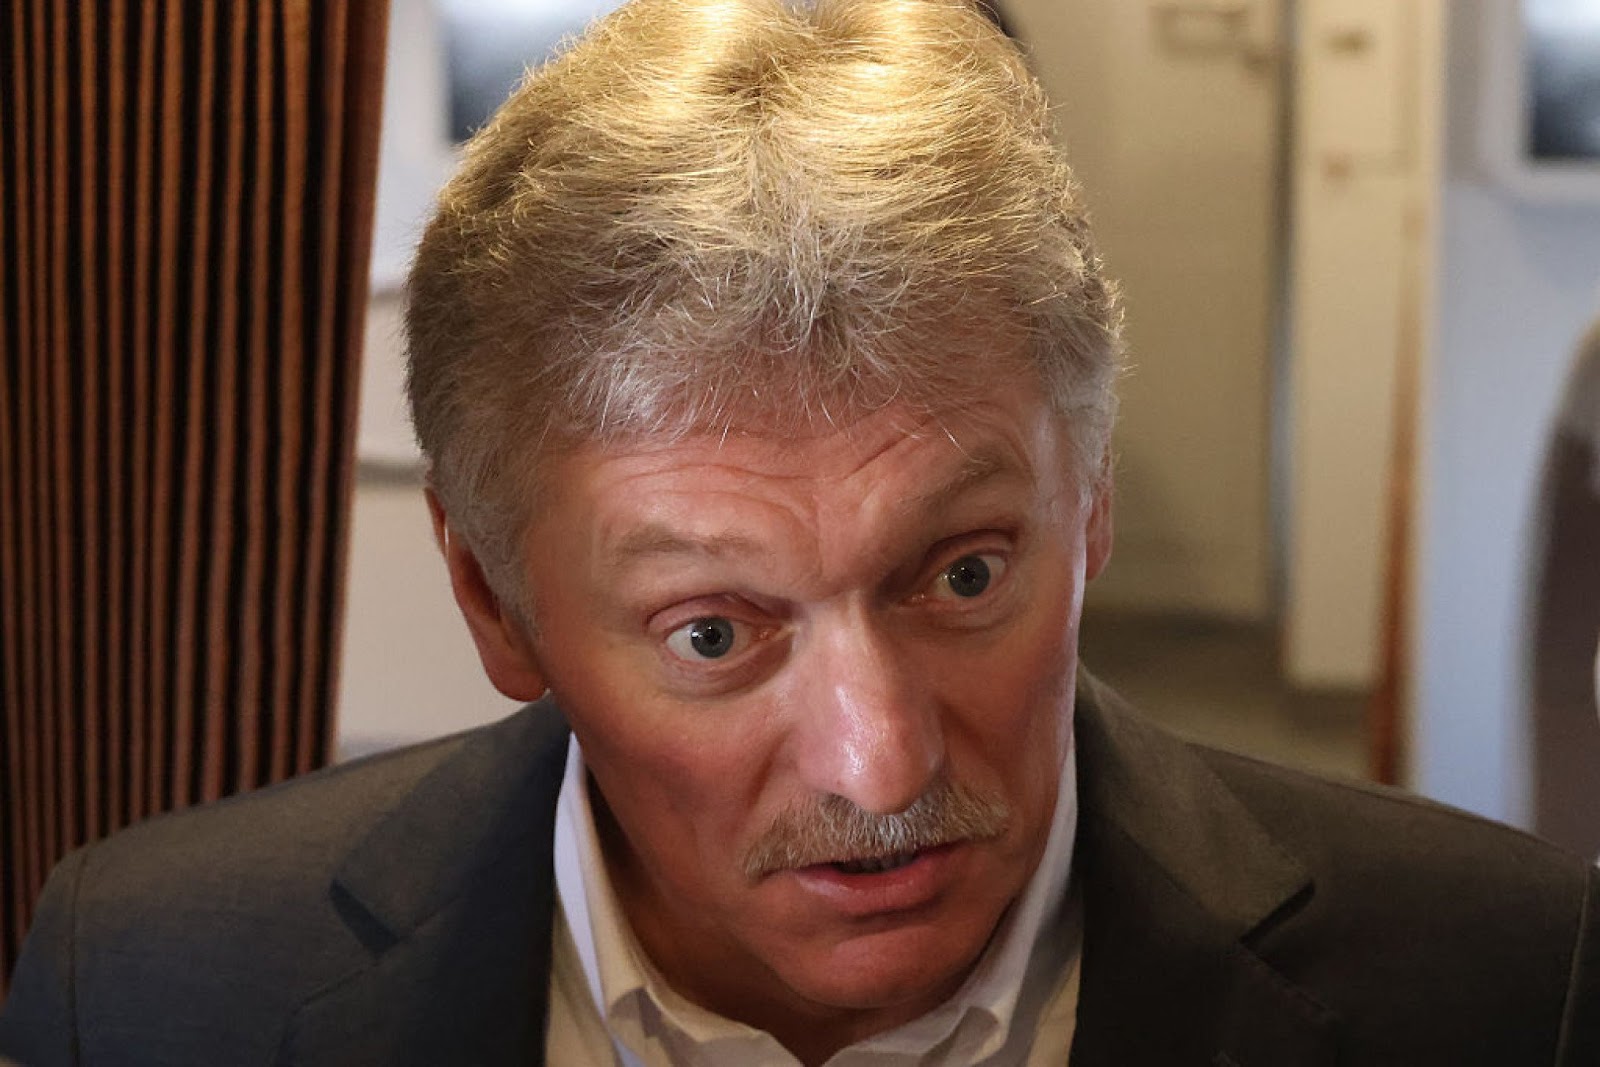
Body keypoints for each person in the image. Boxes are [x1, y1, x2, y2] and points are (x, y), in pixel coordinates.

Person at [2, 0, 1597, 1063]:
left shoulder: (1506, 987)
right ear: (494, 602)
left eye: (963, 576)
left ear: (1092, 498)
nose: (880, 768)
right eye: (715, 633)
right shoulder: (147, 992)